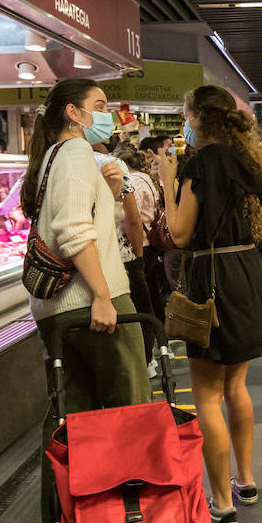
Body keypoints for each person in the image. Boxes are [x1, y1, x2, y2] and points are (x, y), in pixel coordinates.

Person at [23, 78, 149, 523]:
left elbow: (84, 223)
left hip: (56, 310)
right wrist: (100, 294)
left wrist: (112, 196)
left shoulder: (52, 157)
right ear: (73, 114)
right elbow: (74, 231)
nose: (107, 116)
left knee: (68, 424)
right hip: (93, 302)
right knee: (129, 415)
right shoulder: (75, 154)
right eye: (97, 106)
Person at [156, 85, 262, 523]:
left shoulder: (200, 164)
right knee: (237, 387)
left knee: (206, 393)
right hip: (247, 271)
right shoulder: (251, 160)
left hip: (213, 278)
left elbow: (182, 234)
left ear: (197, 118)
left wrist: (168, 179)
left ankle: (222, 504)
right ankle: (246, 480)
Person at [114, 143, 161, 370]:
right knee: (150, 298)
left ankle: (146, 359)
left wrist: (137, 253)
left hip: (136, 248)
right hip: (148, 245)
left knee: (142, 305)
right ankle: (155, 352)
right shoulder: (147, 180)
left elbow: (131, 219)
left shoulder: (131, 183)